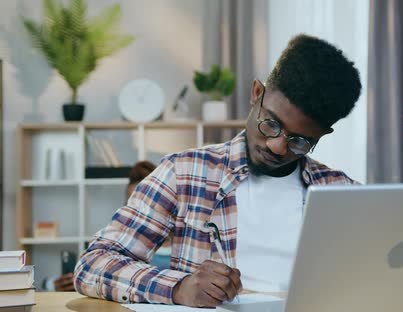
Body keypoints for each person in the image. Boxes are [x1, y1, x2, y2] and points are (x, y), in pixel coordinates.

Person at [74, 34, 362, 308]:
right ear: (256, 93)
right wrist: (178, 287)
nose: (276, 147)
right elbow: (92, 265)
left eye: (299, 141)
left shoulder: (342, 194)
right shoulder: (185, 174)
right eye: (271, 124)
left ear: (321, 136)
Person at [41, 161, 158, 292]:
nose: (137, 212)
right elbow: (91, 273)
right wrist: (52, 285)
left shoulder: (180, 245)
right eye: (132, 204)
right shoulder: (118, 241)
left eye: (144, 203)